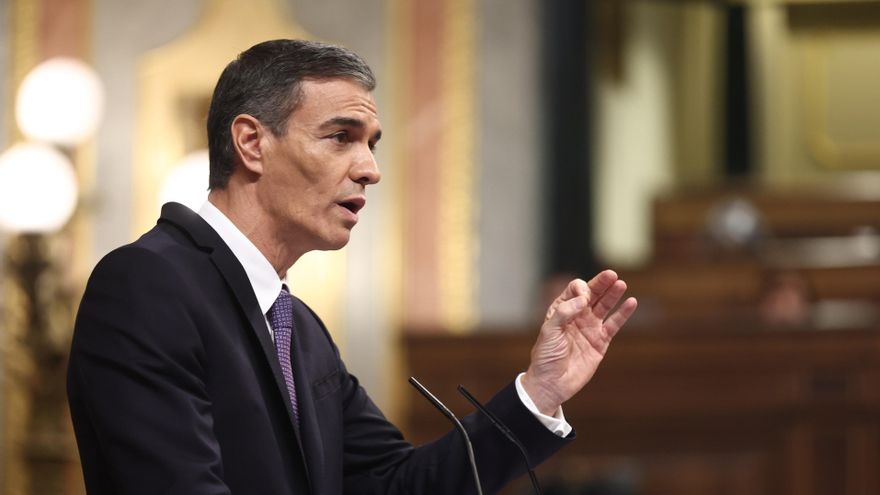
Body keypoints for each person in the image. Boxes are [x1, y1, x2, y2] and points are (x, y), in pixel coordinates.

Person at [67, 39, 637, 495]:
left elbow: (399, 486)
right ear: (251, 143)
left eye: (372, 144)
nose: (369, 169)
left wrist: (539, 391)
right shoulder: (147, 285)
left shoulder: (300, 328)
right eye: (341, 137)